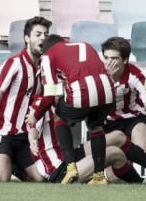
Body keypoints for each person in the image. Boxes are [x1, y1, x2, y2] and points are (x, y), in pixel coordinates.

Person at [26, 95, 146, 184]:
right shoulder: (42, 103)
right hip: (60, 171)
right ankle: (139, 182)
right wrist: (32, 138)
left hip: (71, 156)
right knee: (114, 153)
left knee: (118, 137)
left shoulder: (63, 99)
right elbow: (32, 125)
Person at [34, 34, 116, 185]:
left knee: (59, 117)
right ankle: (99, 176)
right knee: (95, 127)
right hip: (108, 89)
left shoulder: (48, 55)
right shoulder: (84, 44)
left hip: (82, 91)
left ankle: (70, 166)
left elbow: (50, 95)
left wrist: (35, 116)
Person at [0, 16, 52, 182]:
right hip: (2, 132)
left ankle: (10, 163)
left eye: (46, 35)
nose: (43, 38)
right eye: (38, 34)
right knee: (0, 180)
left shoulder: (45, 67)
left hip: (24, 136)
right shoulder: (14, 63)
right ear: (27, 38)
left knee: (41, 179)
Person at [101, 36, 146, 159]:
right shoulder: (97, 75)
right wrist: (109, 81)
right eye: (106, 58)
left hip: (133, 119)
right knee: (112, 175)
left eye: (114, 58)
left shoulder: (136, 76)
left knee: (142, 153)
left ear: (125, 60)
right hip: (106, 122)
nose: (108, 63)